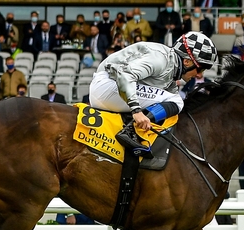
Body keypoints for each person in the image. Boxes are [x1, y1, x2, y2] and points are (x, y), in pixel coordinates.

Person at [88, 32, 217, 157]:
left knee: (175, 102)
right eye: (200, 68)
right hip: (107, 85)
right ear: (187, 62)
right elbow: (125, 76)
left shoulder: (171, 69)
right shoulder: (160, 59)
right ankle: (131, 131)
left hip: (108, 88)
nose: (200, 75)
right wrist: (136, 111)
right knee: (177, 101)